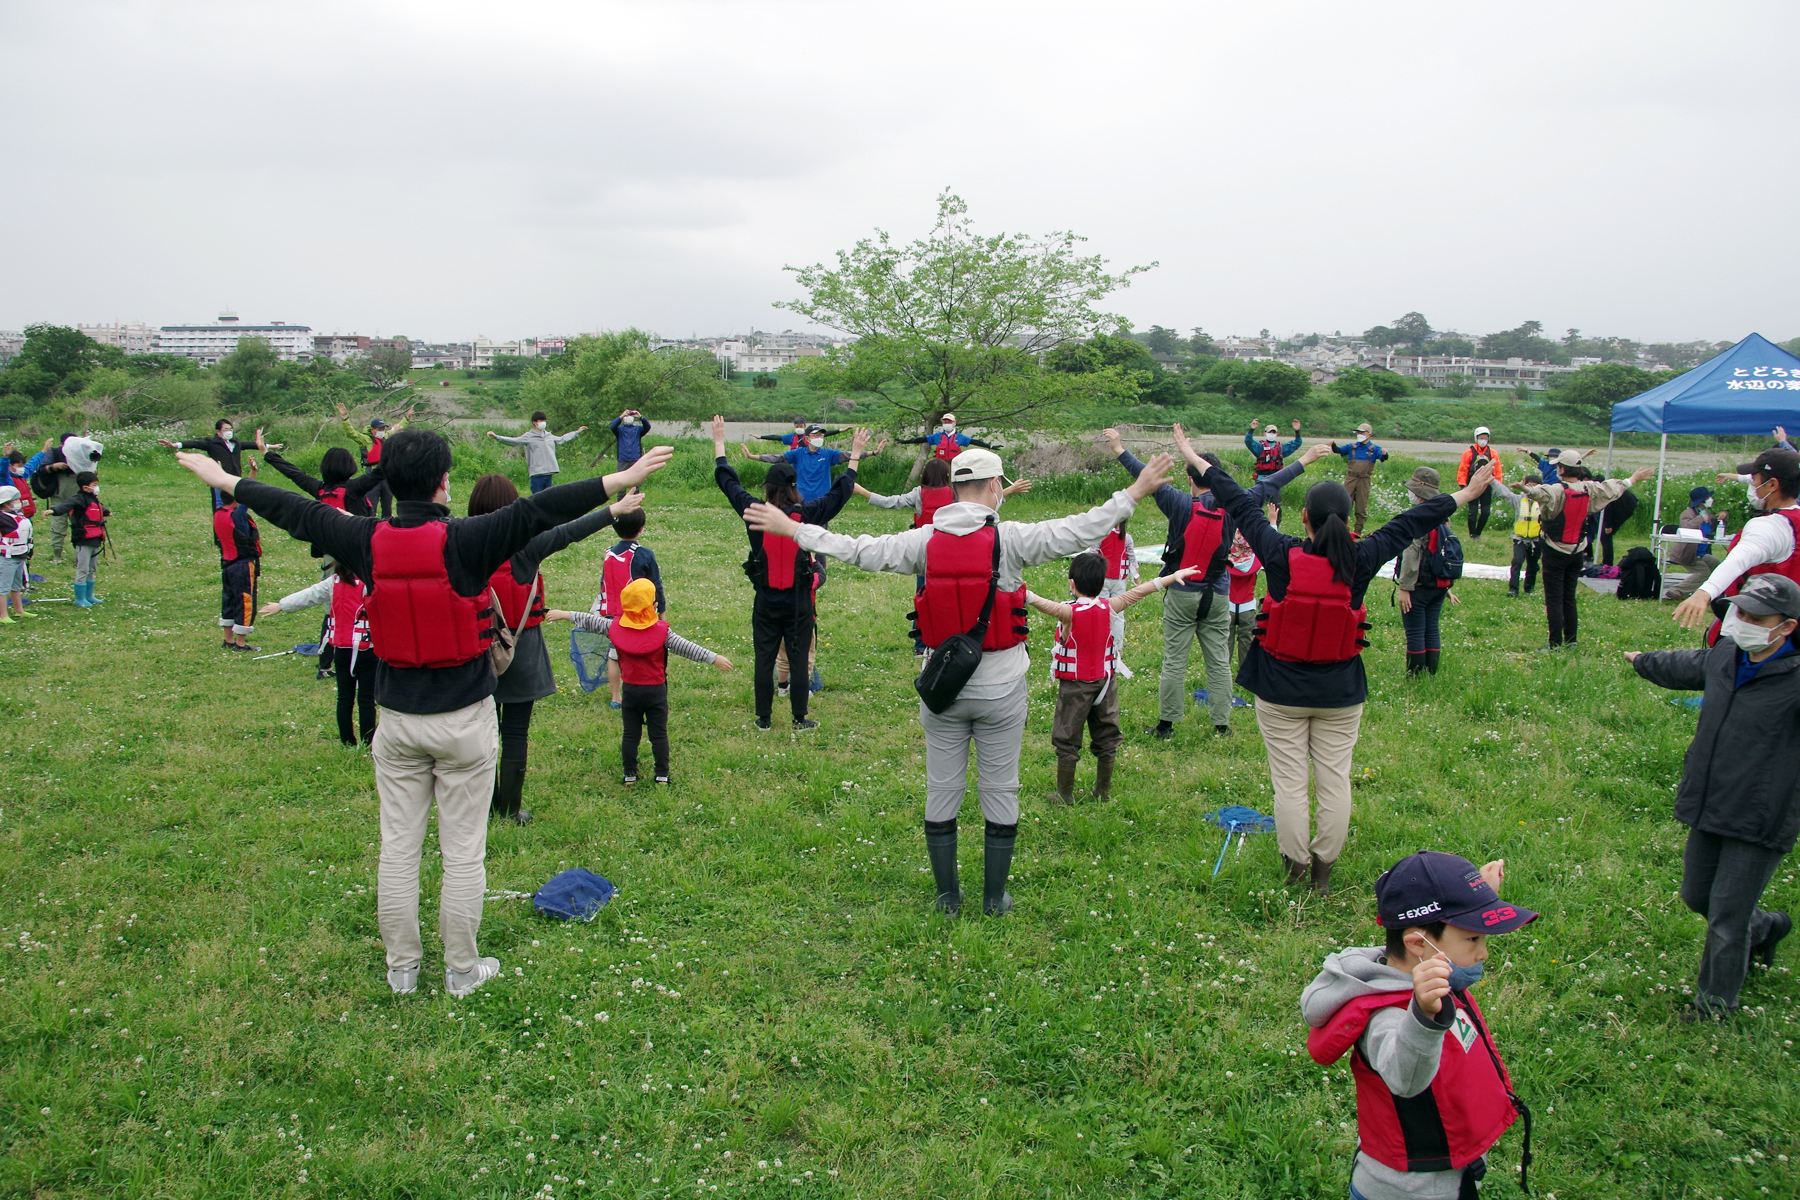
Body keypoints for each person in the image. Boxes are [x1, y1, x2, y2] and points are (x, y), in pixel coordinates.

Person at [174, 430, 672, 999]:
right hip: (462, 723)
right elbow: (541, 510)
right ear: (443, 482)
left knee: (399, 848)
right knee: (462, 853)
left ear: (386, 481)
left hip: (398, 723)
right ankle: (462, 970)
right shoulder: (470, 540)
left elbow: (299, 512)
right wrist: (620, 482)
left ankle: (402, 970)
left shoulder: (364, 538)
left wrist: (228, 481)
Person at [743, 445, 1180, 917]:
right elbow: (1078, 528)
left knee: (942, 787)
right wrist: (1135, 490)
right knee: (1000, 787)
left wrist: (795, 529)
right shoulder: (1011, 539)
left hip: (942, 689)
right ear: (995, 487)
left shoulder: (923, 541)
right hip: (1002, 689)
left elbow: (858, 550)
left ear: (953, 487)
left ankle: (948, 897)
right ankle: (994, 898)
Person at [1176, 425, 1496, 893]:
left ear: (1303, 517)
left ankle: (1296, 867)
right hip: (1340, 691)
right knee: (1334, 782)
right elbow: (1412, 521)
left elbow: (1238, 500)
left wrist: (1190, 453)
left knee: (1289, 784)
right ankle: (1322, 872)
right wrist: (1466, 493)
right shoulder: (1363, 557)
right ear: (1348, 519)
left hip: (1280, 689)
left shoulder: (1279, 551)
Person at [1303, 852, 1535, 1200]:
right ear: (1417, 945)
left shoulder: (1426, 965)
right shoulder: (1388, 1016)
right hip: (1407, 1191)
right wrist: (1423, 1016)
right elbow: (1406, 1079)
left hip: (1453, 1177)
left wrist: (1479, 897)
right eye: (1473, 940)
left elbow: (1446, 938)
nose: (1483, 953)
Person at [1627, 573, 1800, 1021]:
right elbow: (1689, 665)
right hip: (1711, 800)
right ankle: (1768, 927)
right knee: (1697, 895)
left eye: (1757, 617)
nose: (1742, 622)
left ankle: (1715, 1006)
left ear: (1787, 626)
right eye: (1740, 612)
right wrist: (1643, 660)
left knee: (1727, 916)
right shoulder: (1729, 653)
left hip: (1762, 815)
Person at [1106, 426, 1328, 740]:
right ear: (1217, 476)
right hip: (1219, 592)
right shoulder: (1237, 503)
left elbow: (1144, 475)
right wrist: (1305, 458)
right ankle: (1221, 725)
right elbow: (1271, 482)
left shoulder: (1177, 502)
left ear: (1190, 479)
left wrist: (1118, 448)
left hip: (1182, 591)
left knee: (1174, 661)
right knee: (1219, 661)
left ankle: (1166, 726)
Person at [468, 473, 634, 824]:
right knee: (515, 732)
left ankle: (481, 807)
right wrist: (612, 511)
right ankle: (510, 809)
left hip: (477, 648)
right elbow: (567, 530)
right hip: (522, 649)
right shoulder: (526, 545)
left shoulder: (462, 540)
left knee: (480, 732)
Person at [713, 416, 868, 731]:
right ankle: (799, 718)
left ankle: (764, 719)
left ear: (767, 488)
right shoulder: (806, 514)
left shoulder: (754, 511)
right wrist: (854, 456)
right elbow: (841, 492)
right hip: (798, 602)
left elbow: (728, 483)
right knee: (798, 662)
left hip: (767, 601)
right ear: (794, 487)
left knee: (764, 660)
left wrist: (719, 444)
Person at [1026, 554, 1199, 804]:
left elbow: (1040, 603)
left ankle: (1064, 795)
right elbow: (1141, 591)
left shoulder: (1068, 612)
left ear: (1071, 584)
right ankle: (1102, 792)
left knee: (1067, 737)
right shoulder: (1111, 606)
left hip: (1075, 687)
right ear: (1102, 583)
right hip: (1106, 685)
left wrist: (1022, 592)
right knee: (1107, 735)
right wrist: (1172, 576)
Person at [548, 579, 734, 785]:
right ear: (654, 606)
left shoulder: (614, 627)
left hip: (630, 691)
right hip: (655, 691)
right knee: (659, 735)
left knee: (630, 734)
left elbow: (590, 620)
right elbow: (686, 647)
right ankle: (662, 775)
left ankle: (630, 774)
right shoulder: (663, 632)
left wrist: (563, 614)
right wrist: (713, 658)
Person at [1516, 451, 1653, 651]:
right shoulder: (1590, 488)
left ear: (1561, 469)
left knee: (1554, 599)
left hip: (1555, 550)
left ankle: (1555, 644)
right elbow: (1615, 488)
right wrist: (1633, 478)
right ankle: (1571, 641)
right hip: (1578, 550)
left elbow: (1540, 493)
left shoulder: (1557, 489)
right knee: (1569, 596)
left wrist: (1524, 489)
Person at [1674, 448, 1800, 639]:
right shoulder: (1794, 520)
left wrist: (1704, 592)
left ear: (1772, 484)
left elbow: (1739, 559)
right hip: (1789, 630)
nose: (1753, 485)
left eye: (1755, 480)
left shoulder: (1771, 526)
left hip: (1755, 631)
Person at [258, 566, 379, 748]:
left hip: (341, 649)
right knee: (367, 700)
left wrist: (282, 605)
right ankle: (368, 742)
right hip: (367, 650)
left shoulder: (335, 581)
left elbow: (309, 595)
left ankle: (347, 742)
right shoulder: (372, 583)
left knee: (345, 698)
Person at [594, 507, 665, 709]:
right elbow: (656, 586)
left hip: (613, 613)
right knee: (641, 650)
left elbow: (604, 582)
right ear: (641, 529)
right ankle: (641, 686)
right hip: (639, 614)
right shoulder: (645, 555)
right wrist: (662, 613)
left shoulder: (608, 554)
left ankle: (616, 696)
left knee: (614, 655)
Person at [1393, 468, 1461, 677]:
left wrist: (1404, 588)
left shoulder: (1417, 517)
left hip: (1418, 586)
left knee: (1415, 631)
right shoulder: (1443, 514)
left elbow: (1412, 554)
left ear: (1420, 492)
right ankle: (1430, 673)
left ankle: (1414, 676)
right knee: (1431, 628)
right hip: (1439, 585)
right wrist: (1446, 587)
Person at [740, 423, 880, 504]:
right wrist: (752, 456)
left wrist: (872, 452)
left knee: (820, 541)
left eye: (821, 435)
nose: (819, 437)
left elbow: (850, 455)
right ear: (807, 438)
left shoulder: (828, 454)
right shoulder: (798, 453)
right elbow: (777, 458)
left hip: (823, 502)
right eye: (816, 435)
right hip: (801, 502)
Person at [160, 420, 257, 510]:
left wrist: (270, 446)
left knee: (236, 507)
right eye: (226, 429)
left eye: (231, 429)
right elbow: (195, 443)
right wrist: (174, 445)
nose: (229, 431)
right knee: (220, 508)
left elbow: (251, 444)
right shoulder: (212, 444)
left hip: (234, 479)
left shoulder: (235, 443)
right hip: (218, 479)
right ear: (218, 432)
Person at [487, 412, 588, 494]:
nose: (543, 422)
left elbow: (562, 439)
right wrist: (497, 437)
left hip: (549, 472)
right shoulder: (529, 436)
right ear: (535, 423)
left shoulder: (549, 436)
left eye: (544, 420)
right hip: (537, 474)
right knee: (536, 499)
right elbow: (514, 441)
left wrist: (576, 432)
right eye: (541, 420)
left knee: (547, 498)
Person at [212, 490, 263, 652]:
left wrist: (217, 474)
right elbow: (247, 492)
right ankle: (240, 643)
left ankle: (228, 640)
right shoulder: (238, 515)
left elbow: (217, 492)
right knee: (245, 602)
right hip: (242, 565)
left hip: (227, 565)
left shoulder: (219, 511)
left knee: (229, 599)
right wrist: (253, 473)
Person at [50, 471, 108, 608]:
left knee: (92, 568)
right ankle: (80, 598)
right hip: (83, 538)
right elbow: (66, 505)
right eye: (94, 485)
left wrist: (107, 512)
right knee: (82, 569)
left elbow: (100, 509)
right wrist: (53, 511)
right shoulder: (78, 499)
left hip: (95, 538)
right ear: (85, 487)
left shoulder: (94, 499)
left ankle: (89, 595)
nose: (96, 487)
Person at [1664, 486, 1724, 601]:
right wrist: (1700, 518)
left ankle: (1713, 592)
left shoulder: (1706, 512)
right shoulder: (1688, 513)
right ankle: (1677, 590)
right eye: (1708, 498)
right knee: (1704, 572)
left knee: (1717, 564)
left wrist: (1722, 517)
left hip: (1701, 553)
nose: (1711, 499)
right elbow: (1686, 526)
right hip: (1688, 553)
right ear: (1702, 501)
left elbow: (1714, 525)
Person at [1331, 422, 1389, 535]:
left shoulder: (1374, 449)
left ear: (1369, 434)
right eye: (1358, 432)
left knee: (1361, 508)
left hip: (1364, 480)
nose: (1359, 434)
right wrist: (1333, 445)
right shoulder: (1351, 447)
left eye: (1362, 432)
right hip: (1350, 478)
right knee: (1344, 504)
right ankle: (1341, 530)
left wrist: (1385, 454)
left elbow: (1383, 457)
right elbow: (1338, 450)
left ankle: (1357, 532)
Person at [1247, 419, 1304, 524]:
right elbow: (1248, 442)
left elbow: (1297, 443)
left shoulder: (1281, 448)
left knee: (1276, 505)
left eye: (1273, 432)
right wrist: (1252, 429)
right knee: (1255, 504)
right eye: (1269, 432)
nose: (1271, 434)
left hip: (1276, 479)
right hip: (1261, 479)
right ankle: (1254, 524)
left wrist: (1297, 431)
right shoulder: (1259, 447)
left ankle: (1275, 526)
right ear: (1265, 433)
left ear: (1276, 434)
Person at [1456, 428, 1504, 538]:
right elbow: (1463, 469)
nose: (1483, 440)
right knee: (1472, 512)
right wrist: (1463, 485)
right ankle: (1472, 534)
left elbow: (1497, 470)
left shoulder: (1493, 453)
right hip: (1472, 485)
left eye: (1485, 438)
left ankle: (1478, 533)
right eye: (1481, 438)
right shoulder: (1469, 452)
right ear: (1476, 438)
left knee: (1486, 512)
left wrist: (1499, 486)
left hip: (1487, 486)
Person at [895, 413, 994, 462]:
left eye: (949, 422)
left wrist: (990, 446)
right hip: (940, 464)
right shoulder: (937, 437)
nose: (947, 424)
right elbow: (921, 439)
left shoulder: (960, 437)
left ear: (954, 423)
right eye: (945, 422)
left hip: (955, 464)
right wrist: (905, 441)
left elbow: (975, 442)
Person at [1226, 531, 1260, 669]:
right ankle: (1245, 673)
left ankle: (1222, 674)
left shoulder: (1225, 560)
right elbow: (1269, 546)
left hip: (1227, 606)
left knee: (1225, 643)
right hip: (1247, 607)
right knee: (1246, 642)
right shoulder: (1256, 561)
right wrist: (1273, 524)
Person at [0, 486, 34, 622]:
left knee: (16, 586)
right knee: (3, 587)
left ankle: (19, 610)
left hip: (20, 555)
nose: (18, 502)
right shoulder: (3, 518)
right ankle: (3, 615)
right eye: (15, 500)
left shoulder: (18, 517)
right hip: (7, 557)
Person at [1508, 488, 1542, 598]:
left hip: (1536, 539)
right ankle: (1513, 589)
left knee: (1532, 565)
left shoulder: (1544, 501)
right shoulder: (1519, 500)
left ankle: (1529, 589)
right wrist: (1492, 480)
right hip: (1520, 538)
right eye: (1528, 485)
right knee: (1517, 561)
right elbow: (1504, 493)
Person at [1596, 486, 1639, 568]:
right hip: (1627, 504)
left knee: (1606, 536)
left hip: (1622, 507)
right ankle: (1607, 562)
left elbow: (1608, 508)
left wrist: (1608, 525)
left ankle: (1607, 563)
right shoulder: (1609, 487)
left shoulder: (1604, 491)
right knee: (1606, 536)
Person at [608, 409, 652, 476]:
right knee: (621, 480)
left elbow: (647, 427)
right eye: (627, 416)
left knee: (636, 479)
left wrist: (640, 417)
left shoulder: (638, 429)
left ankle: (635, 487)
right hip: (623, 459)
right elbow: (612, 426)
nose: (628, 418)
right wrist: (621, 416)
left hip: (635, 459)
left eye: (630, 416)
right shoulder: (620, 430)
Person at [761, 418, 846, 450]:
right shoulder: (791, 436)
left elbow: (826, 433)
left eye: (801, 426)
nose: (799, 428)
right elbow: (776, 437)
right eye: (797, 426)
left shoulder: (810, 435)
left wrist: (840, 430)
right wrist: (761, 437)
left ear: (805, 426)